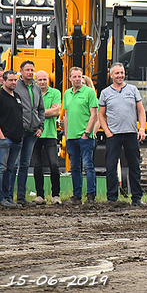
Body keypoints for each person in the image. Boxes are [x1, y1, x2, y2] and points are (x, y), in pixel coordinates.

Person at [98, 62, 147, 206]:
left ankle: (137, 198)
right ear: (111, 75)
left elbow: (141, 111)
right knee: (111, 166)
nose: (120, 75)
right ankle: (112, 198)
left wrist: (142, 129)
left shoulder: (132, 90)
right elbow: (101, 115)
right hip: (114, 135)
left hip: (131, 133)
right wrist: (107, 132)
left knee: (134, 165)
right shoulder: (105, 93)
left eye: (122, 72)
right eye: (117, 73)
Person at [11, 60, 45, 207]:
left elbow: (41, 109)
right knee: (13, 164)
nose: (30, 72)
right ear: (21, 71)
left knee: (25, 165)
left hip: (32, 132)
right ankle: (7, 197)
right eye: (27, 70)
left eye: (32, 70)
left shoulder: (36, 88)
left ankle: (21, 197)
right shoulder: (15, 86)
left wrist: (41, 126)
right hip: (19, 131)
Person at [63, 67, 99, 205]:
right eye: (74, 77)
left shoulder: (89, 92)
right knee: (75, 167)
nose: (77, 79)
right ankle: (76, 196)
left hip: (85, 137)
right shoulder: (67, 93)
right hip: (71, 137)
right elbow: (66, 115)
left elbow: (93, 114)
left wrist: (87, 133)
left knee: (88, 166)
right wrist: (66, 135)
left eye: (79, 76)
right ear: (70, 78)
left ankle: (91, 196)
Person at [31, 70, 62, 205]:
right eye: (40, 80)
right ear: (36, 80)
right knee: (37, 166)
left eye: (45, 79)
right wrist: (47, 111)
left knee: (54, 165)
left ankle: (56, 195)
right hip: (34, 134)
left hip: (50, 134)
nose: (42, 82)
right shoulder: (32, 93)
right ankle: (40, 195)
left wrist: (36, 112)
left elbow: (56, 111)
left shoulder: (55, 93)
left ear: (48, 80)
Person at [0, 70, 23, 208]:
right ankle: (1, 198)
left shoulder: (17, 96)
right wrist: (2, 136)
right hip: (5, 139)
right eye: (11, 80)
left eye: (15, 80)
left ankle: (8, 197)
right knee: (2, 168)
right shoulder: (1, 96)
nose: (14, 82)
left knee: (11, 169)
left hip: (16, 139)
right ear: (4, 80)